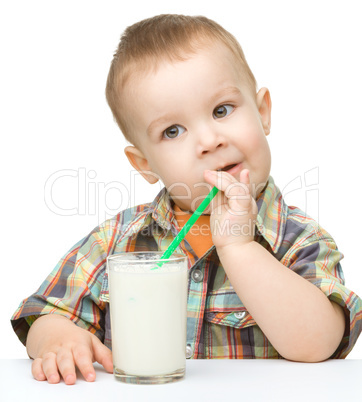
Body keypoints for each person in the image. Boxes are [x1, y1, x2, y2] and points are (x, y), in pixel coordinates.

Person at [11, 14, 362, 385]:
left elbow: (320, 343)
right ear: (145, 163)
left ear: (262, 113)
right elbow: (43, 312)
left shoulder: (299, 240)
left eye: (221, 110)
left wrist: (240, 248)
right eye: (173, 131)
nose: (210, 141)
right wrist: (59, 338)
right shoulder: (116, 241)